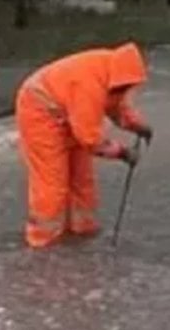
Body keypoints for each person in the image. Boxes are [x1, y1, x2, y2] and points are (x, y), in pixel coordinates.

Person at [15, 42, 153, 249]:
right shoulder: (90, 85)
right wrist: (122, 152)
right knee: (52, 182)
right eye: (125, 87)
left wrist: (138, 126)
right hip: (39, 112)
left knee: (82, 178)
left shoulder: (113, 75)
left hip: (66, 110)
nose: (126, 90)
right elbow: (89, 139)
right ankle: (43, 241)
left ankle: (82, 229)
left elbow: (116, 106)